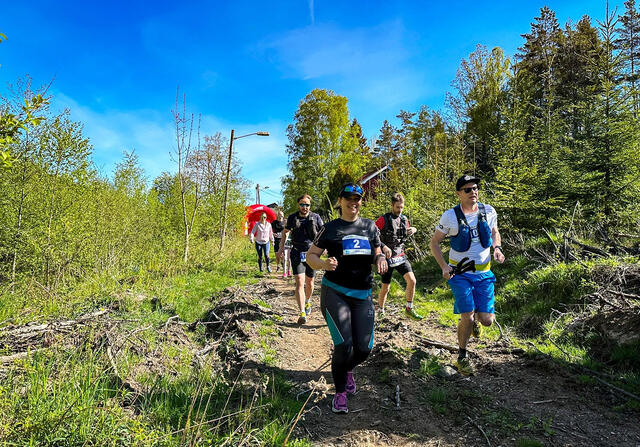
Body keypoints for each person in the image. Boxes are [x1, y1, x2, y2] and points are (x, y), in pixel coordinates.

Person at [306, 183, 387, 414]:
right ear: (340, 201)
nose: (354, 202)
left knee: (364, 349)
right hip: (336, 291)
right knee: (344, 344)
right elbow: (311, 255)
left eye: (358, 198)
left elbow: (377, 249)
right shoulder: (330, 228)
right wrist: (323, 264)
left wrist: (380, 257)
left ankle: (346, 369)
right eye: (349, 198)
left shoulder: (370, 226)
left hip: (363, 294)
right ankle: (340, 392)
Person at [429, 174, 505, 375]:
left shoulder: (489, 211)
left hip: (484, 274)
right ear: (459, 194)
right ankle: (462, 356)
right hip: (459, 274)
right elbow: (434, 243)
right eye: (468, 189)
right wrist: (444, 266)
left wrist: (497, 248)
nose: (474, 192)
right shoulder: (450, 216)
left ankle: (476, 322)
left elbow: (494, 232)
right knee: (468, 317)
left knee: (486, 319)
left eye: (476, 188)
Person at [276, 194, 324, 324]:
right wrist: (281, 249)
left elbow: (323, 233)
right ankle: (302, 312)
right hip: (297, 252)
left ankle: (308, 302)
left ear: (310, 206)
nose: (305, 207)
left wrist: (325, 249)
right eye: (302, 204)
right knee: (299, 282)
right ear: (298, 205)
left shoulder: (316, 217)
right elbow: (285, 232)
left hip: (312, 254)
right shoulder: (292, 218)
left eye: (307, 205)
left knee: (310, 282)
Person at [375, 192, 423, 320]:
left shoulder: (404, 219)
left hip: (400, 256)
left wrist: (413, 229)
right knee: (386, 287)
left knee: (412, 281)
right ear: (392, 205)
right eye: (397, 207)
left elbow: (405, 233)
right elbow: (372, 235)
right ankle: (381, 309)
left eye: (402, 207)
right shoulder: (383, 219)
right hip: (386, 258)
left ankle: (409, 308)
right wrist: (383, 247)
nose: (400, 210)